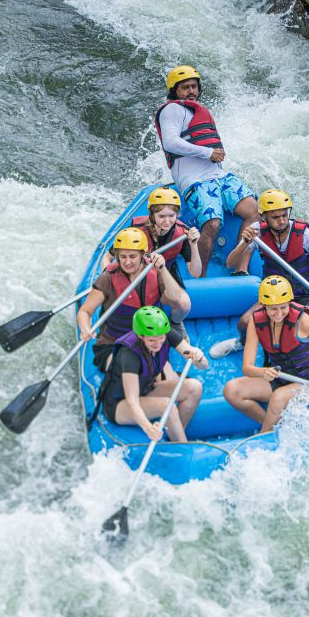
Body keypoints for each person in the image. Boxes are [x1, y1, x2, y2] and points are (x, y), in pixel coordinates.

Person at [210, 188, 309, 358]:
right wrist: (245, 242)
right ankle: (241, 343)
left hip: (307, 297)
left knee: (292, 323)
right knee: (244, 322)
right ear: (264, 217)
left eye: (284, 215)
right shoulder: (256, 231)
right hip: (273, 295)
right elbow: (230, 263)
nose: (281, 221)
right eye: (275, 217)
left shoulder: (304, 235)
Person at [153, 64, 258, 274]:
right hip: (195, 181)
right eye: (185, 88)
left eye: (194, 87)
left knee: (253, 211)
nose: (191, 91)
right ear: (175, 91)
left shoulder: (198, 111)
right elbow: (171, 143)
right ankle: (199, 274)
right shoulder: (172, 109)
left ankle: (240, 267)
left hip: (219, 176)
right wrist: (208, 153)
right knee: (212, 225)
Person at [223, 277, 309, 433]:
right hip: (281, 378)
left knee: (278, 397)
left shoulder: (303, 322)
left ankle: (263, 435)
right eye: (273, 309)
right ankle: (273, 428)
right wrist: (263, 372)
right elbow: (247, 367)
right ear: (263, 305)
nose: (279, 314)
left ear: (289, 303)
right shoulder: (256, 321)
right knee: (231, 390)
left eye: (283, 307)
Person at [96, 305, 209, 443]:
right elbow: (132, 400)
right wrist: (148, 428)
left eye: (161, 339)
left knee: (195, 387)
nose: (158, 344)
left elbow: (202, 365)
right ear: (140, 336)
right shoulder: (129, 354)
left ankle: (176, 434)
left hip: (146, 389)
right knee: (167, 405)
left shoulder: (166, 334)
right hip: (120, 403)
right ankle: (183, 445)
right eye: (151, 341)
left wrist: (199, 358)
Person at [78, 227, 184, 372]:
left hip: (150, 339)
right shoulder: (108, 278)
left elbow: (175, 297)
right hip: (114, 342)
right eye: (123, 257)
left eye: (132, 256)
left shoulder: (154, 270)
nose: (127, 262)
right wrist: (85, 328)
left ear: (143, 254)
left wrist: (163, 269)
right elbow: (85, 311)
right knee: (127, 372)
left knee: (164, 376)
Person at [102, 187, 201, 337]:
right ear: (152, 215)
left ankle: (175, 324)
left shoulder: (183, 233)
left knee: (184, 304)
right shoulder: (136, 230)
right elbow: (108, 257)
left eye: (172, 215)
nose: (167, 221)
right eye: (161, 216)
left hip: (164, 271)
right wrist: (109, 279)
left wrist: (194, 245)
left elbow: (196, 273)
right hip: (136, 273)